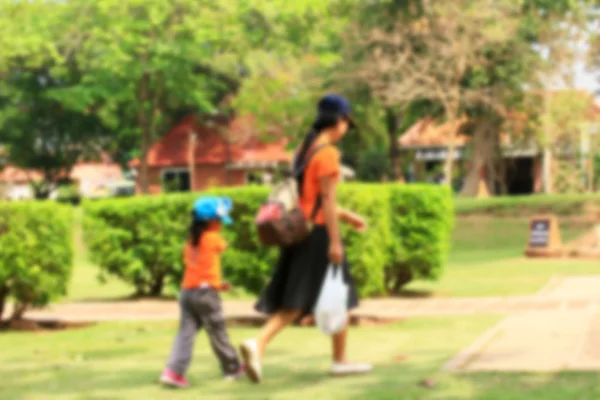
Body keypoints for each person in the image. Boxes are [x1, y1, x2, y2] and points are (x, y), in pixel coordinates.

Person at [240, 94, 373, 383]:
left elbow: (309, 199)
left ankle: (337, 359)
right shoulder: (328, 154)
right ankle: (260, 344)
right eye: (347, 123)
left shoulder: (305, 149)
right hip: (319, 234)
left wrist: (349, 216)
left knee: (303, 300)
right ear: (339, 121)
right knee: (323, 297)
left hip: (301, 229)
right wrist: (336, 242)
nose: (346, 129)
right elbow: (326, 200)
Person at [159, 196, 244, 388]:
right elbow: (221, 247)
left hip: (188, 293)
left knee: (185, 334)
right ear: (211, 221)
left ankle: (173, 372)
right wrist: (214, 284)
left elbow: (199, 268)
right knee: (218, 332)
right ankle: (232, 368)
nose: (222, 225)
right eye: (220, 221)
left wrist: (219, 284)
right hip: (206, 295)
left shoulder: (191, 241)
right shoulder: (213, 237)